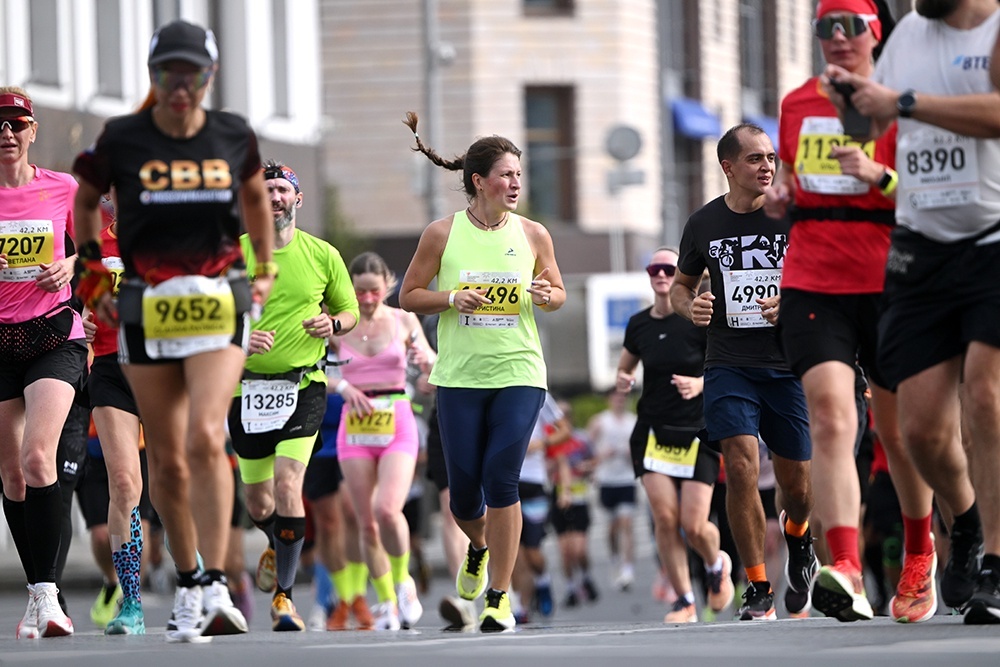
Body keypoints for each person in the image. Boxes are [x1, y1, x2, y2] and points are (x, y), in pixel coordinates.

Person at [72, 19, 275, 642]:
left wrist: (262, 270)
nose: (180, 87)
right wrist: (90, 270)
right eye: (169, 75)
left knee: (206, 438)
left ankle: (215, 580)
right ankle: (187, 581)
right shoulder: (124, 138)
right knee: (165, 457)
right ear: (154, 77)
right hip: (145, 301)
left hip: (217, 297)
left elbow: (255, 199)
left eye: (192, 76)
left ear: (209, 78)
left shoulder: (232, 135)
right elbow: (85, 199)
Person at [822, 0, 998, 624]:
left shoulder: (995, 27)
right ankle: (969, 524)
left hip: (991, 239)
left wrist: (907, 102)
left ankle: (996, 568)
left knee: (984, 394)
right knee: (920, 431)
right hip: (921, 251)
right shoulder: (908, 38)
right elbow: (873, 131)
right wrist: (853, 105)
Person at [763, 0, 938, 624]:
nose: (837, 39)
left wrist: (878, 175)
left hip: (891, 279)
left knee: (901, 433)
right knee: (834, 421)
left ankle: (921, 555)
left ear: (876, 34)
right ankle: (847, 569)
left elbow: (928, 190)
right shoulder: (795, 104)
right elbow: (792, 187)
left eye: (851, 27)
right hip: (813, 280)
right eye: (824, 28)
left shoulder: (904, 99)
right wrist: (782, 198)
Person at [398, 111, 565, 632]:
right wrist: (451, 297)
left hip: (519, 371)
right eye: (506, 175)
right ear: (479, 181)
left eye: (519, 174)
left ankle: (498, 596)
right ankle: (478, 547)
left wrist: (546, 294)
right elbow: (408, 296)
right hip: (460, 378)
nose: (516, 183)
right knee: (465, 496)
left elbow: (556, 293)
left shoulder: (533, 234)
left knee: (502, 478)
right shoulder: (442, 233)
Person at [670, 124, 818, 622]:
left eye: (772, 157)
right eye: (755, 158)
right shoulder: (703, 223)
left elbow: (824, 279)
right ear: (728, 167)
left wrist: (793, 304)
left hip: (787, 364)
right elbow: (681, 287)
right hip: (729, 363)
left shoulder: (791, 218)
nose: (767, 167)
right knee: (739, 466)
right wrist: (691, 307)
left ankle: (798, 535)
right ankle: (757, 584)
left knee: (797, 488)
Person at [228, 160, 358, 632]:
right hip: (246, 391)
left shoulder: (323, 254)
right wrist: (241, 339)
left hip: (303, 386)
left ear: (296, 199)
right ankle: (276, 540)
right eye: (265, 192)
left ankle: (284, 597)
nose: (275, 198)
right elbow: (209, 319)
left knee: (288, 486)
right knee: (259, 503)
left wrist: (333, 325)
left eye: (282, 189)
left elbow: (349, 311)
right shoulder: (233, 256)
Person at [0, 86, 85, 639]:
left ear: (33, 131)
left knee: (36, 457)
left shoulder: (64, 188)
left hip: (55, 334)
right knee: (10, 473)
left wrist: (69, 267)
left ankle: (50, 597)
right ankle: (37, 595)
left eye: (16, 124)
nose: (6, 134)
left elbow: (93, 248)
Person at [617, 247, 734, 624]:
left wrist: (700, 385)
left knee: (693, 524)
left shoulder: (699, 320)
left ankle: (716, 564)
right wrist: (624, 378)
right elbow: (626, 365)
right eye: (655, 269)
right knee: (665, 519)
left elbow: (723, 369)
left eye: (670, 269)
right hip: (653, 430)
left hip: (696, 431)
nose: (663, 275)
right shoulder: (638, 324)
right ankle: (683, 599)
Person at [330, 251, 431, 631]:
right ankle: (386, 601)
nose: (367, 299)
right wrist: (342, 384)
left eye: (374, 291)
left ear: (387, 284)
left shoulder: (404, 319)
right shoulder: (340, 325)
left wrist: (426, 361)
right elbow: (314, 370)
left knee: (388, 509)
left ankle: (403, 581)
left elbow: (432, 361)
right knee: (366, 523)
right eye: (360, 293)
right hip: (355, 426)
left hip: (397, 422)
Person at [587, 390, 638, 592]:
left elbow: (642, 448)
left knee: (627, 523)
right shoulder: (599, 422)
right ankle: (615, 560)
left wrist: (631, 453)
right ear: (609, 400)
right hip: (606, 480)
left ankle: (627, 569)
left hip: (627, 479)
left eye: (623, 398)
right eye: (616, 397)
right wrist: (599, 456)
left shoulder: (633, 422)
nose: (620, 401)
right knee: (612, 528)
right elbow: (585, 448)